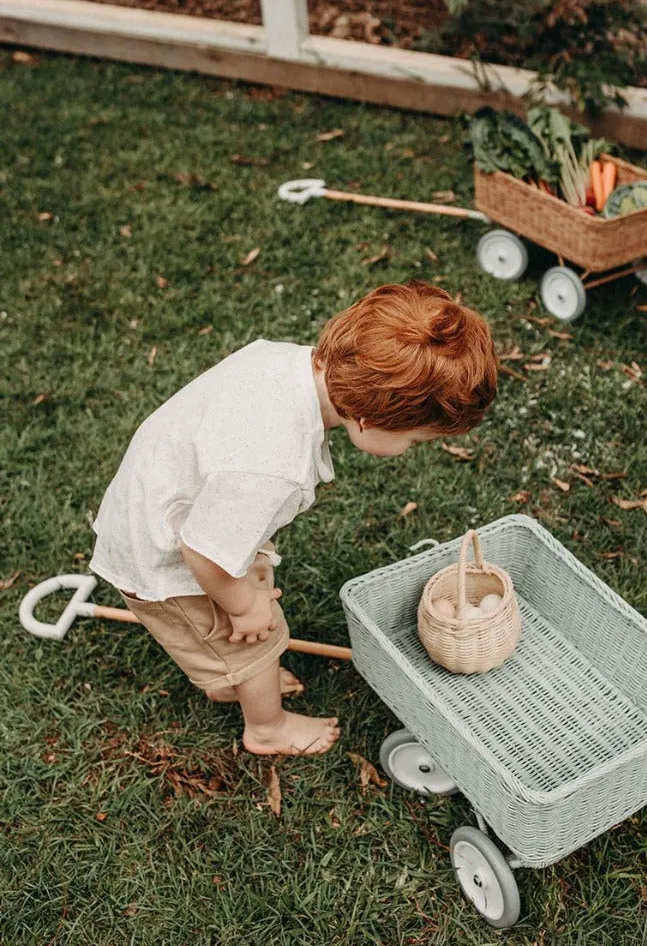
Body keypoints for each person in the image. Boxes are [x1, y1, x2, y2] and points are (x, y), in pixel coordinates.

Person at [90, 281, 498, 756]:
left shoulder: (291, 363)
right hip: (166, 554)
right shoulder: (270, 462)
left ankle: (230, 677)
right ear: (369, 419)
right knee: (258, 637)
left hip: (171, 505)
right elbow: (201, 551)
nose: (411, 450)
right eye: (415, 439)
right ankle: (267, 728)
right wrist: (244, 606)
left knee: (242, 620)